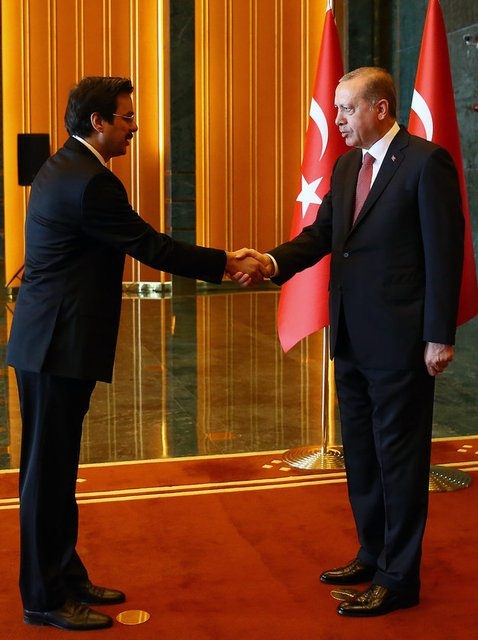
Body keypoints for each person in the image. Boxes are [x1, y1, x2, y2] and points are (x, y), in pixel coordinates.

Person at [6, 76, 263, 631]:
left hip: (50, 341)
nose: (135, 126)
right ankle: (44, 598)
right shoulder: (91, 182)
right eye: (126, 118)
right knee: (46, 477)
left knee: (57, 471)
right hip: (54, 347)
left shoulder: (67, 165)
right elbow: (151, 245)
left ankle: (65, 574)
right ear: (97, 121)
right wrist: (225, 262)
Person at [241, 67, 465, 617]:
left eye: (346, 109)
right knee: (361, 454)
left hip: (401, 342)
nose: (336, 119)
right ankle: (372, 551)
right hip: (350, 337)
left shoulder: (425, 163)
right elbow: (322, 235)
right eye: (337, 108)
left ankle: (399, 577)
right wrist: (270, 261)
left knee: (400, 459)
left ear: (379, 109)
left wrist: (438, 335)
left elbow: (445, 253)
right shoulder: (346, 166)